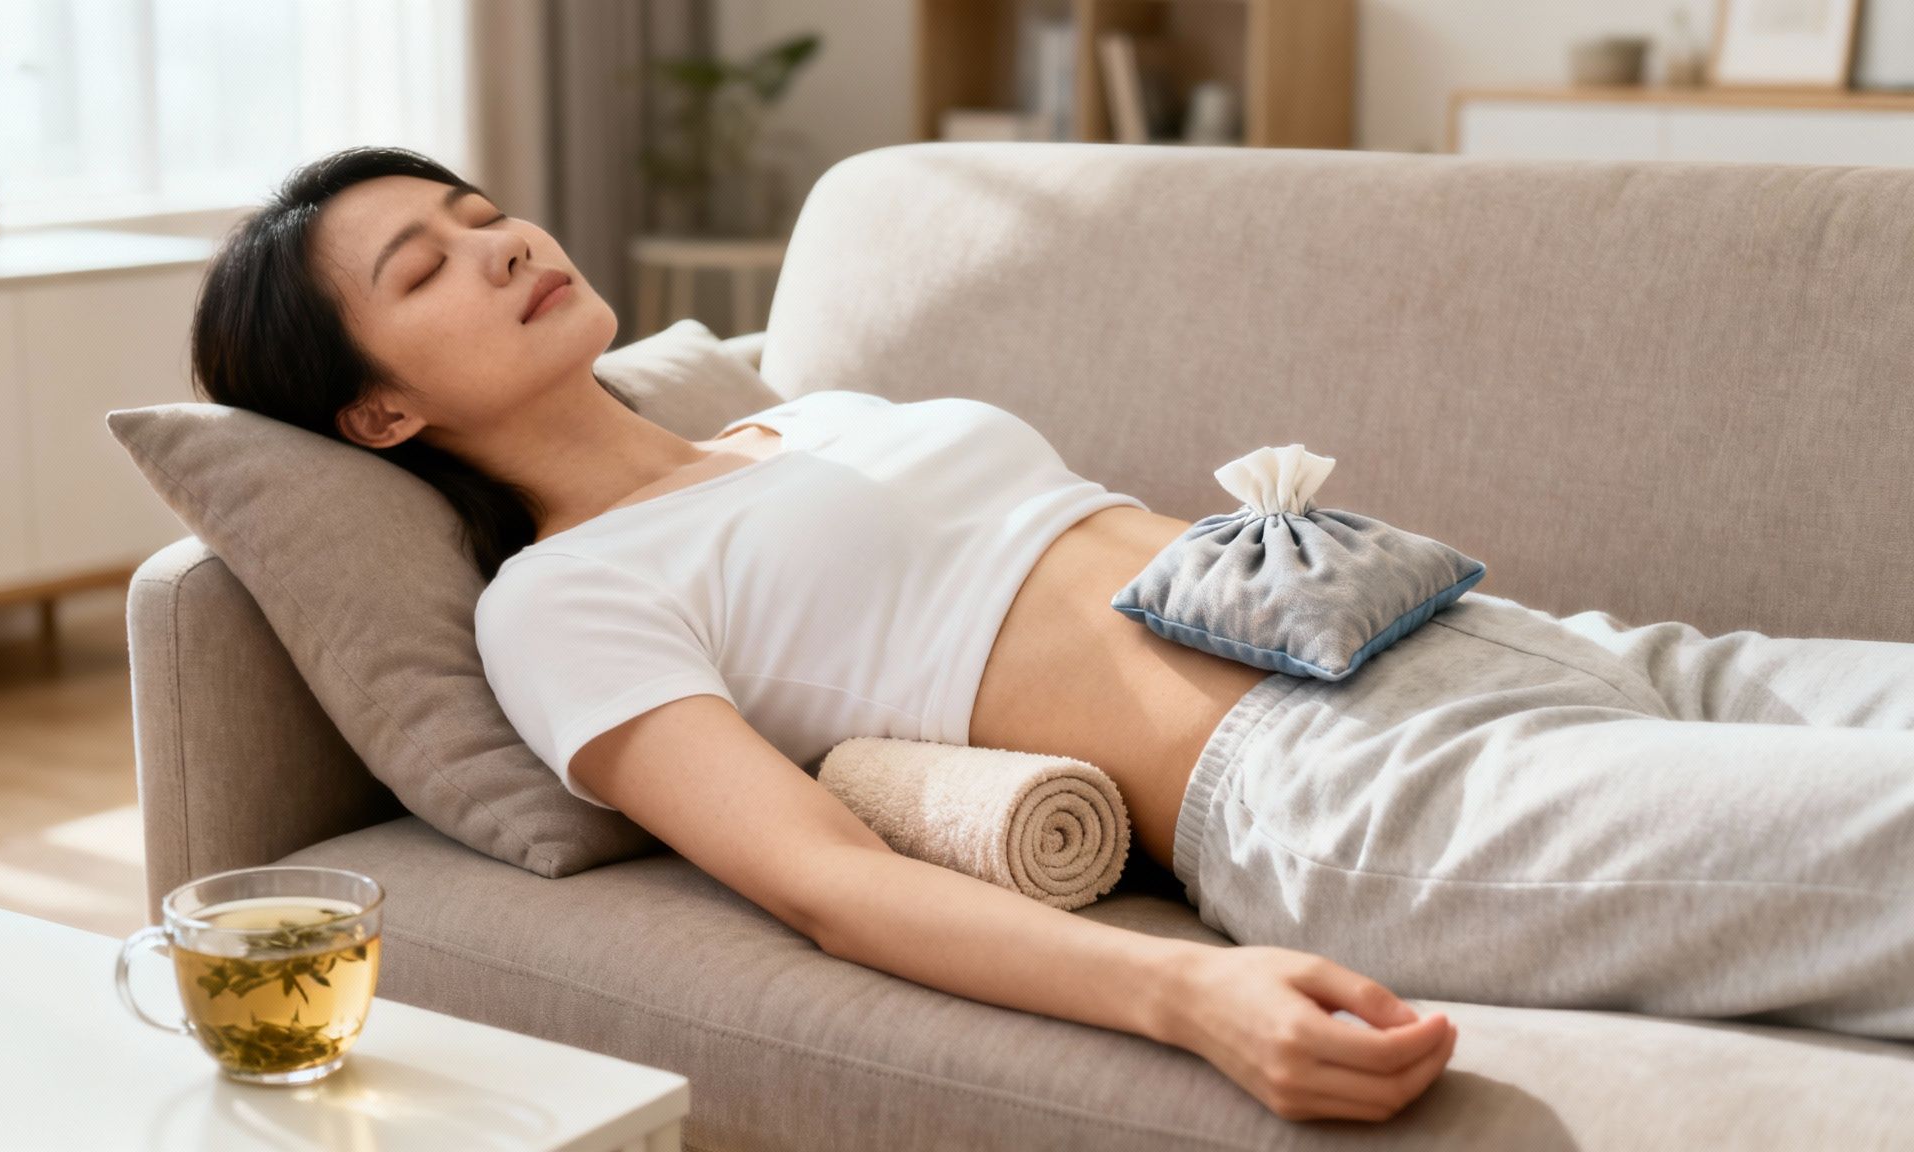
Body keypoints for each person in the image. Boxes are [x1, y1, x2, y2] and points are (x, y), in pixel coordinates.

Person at [190, 144, 1914, 1125]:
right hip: (1344, 785)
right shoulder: (560, 601)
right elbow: (823, 881)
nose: (499, 248)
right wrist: (1190, 994)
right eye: (423, 270)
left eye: (479, 215)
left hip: (1512, 635)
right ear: (380, 414)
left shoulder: (806, 416)